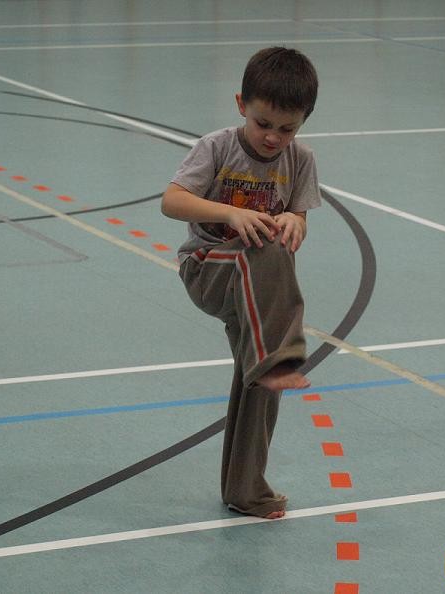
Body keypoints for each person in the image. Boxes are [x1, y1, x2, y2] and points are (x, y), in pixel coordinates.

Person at [161, 47, 321, 519]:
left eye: (287, 128)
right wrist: (230, 212)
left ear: (303, 122)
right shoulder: (216, 147)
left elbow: (300, 217)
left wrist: (295, 222)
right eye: (262, 123)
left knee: (259, 385)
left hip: (258, 293)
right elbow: (171, 201)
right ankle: (280, 355)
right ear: (240, 105)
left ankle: (247, 491)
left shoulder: (301, 160)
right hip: (208, 271)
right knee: (267, 253)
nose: (273, 137)